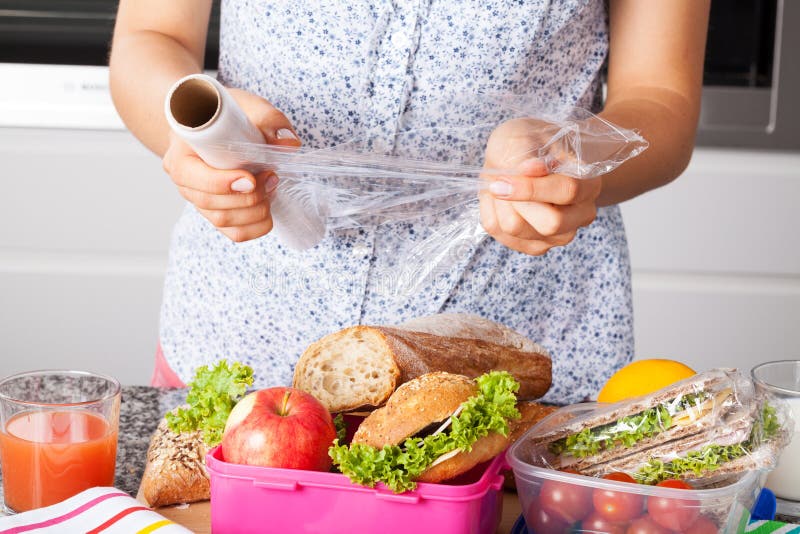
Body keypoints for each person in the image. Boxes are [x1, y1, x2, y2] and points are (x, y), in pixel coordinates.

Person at [109, 0, 710, 404]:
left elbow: (660, 96)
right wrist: (199, 133)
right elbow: (150, 37)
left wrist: (566, 154)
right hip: (247, 325)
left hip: (513, 353)